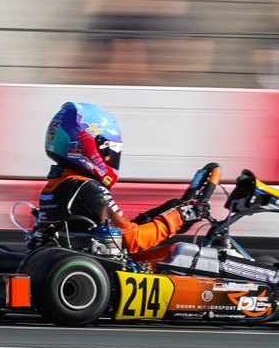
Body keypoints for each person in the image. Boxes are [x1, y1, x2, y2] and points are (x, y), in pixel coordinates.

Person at [32, 102, 205, 254]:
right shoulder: (87, 189)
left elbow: (119, 232)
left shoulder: (59, 185)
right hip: (93, 270)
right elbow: (132, 240)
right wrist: (181, 216)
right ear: (91, 146)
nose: (113, 157)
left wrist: (163, 212)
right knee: (181, 257)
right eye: (111, 151)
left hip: (75, 263)